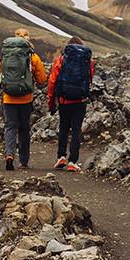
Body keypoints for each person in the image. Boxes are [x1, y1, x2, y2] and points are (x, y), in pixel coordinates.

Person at [0, 29, 46, 171]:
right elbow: (42, 79)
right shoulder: (33, 57)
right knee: (24, 129)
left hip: (8, 98)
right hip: (26, 99)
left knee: (10, 127)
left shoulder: (5, 55)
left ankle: (9, 154)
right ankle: (23, 162)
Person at [46, 34, 95, 171]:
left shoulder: (61, 60)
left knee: (63, 128)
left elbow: (52, 82)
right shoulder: (88, 61)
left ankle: (61, 156)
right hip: (80, 100)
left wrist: (51, 102)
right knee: (76, 130)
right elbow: (90, 79)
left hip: (64, 100)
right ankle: (73, 162)